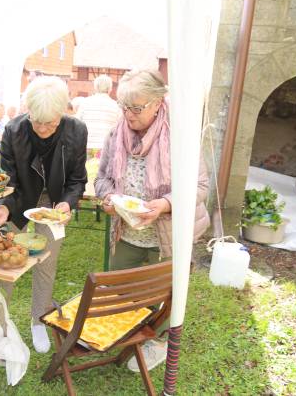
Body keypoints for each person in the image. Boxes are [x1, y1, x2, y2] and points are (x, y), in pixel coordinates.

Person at [94, 69, 210, 373]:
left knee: (167, 294)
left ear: (158, 103)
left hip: (167, 235)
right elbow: (103, 177)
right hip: (128, 231)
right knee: (122, 292)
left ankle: (155, 341)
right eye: (124, 106)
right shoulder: (115, 134)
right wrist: (108, 199)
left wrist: (166, 204)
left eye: (136, 108)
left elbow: (200, 187)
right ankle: (127, 336)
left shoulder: (180, 137)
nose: (128, 115)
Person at [0, 76, 88, 353]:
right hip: (20, 199)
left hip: (53, 204)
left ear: (63, 113)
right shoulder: (14, 130)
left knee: (46, 261)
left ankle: (38, 319)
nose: (42, 128)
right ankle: (2, 325)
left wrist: (67, 203)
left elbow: (77, 179)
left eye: (50, 123)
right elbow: (8, 179)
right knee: (6, 262)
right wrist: (5, 206)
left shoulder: (76, 130)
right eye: (36, 121)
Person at [78, 74, 121, 152]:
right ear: (110, 89)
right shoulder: (116, 106)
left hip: (86, 145)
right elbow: (119, 128)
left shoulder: (85, 103)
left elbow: (77, 124)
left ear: (95, 87)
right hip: (106, 148)